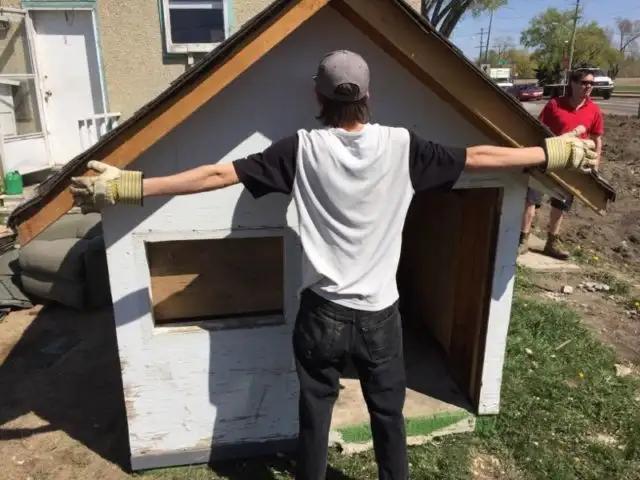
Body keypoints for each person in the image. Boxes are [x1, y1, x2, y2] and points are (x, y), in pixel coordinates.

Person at [70, 51, 597, 480]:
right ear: (368, 97)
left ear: (318, 98)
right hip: (380, 317)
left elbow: (214, 175)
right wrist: (552, 154)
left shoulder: (299, 149)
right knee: (388, 416)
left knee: (314, 416)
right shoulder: (402, 146)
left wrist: (128, 186)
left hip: (320, 315)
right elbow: (479, 158)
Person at [519, 69, 604, 259]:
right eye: (583, 82)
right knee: (531, 199)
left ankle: (551, 243)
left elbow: (597, 139)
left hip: (572, 165)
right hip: (548, 158)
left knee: (561, 205)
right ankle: (523, 239)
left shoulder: (594, 110)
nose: (588, 86)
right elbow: (538, 129)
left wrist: (596, 163)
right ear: (572, 83)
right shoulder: (554, 105)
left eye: (591, 83)